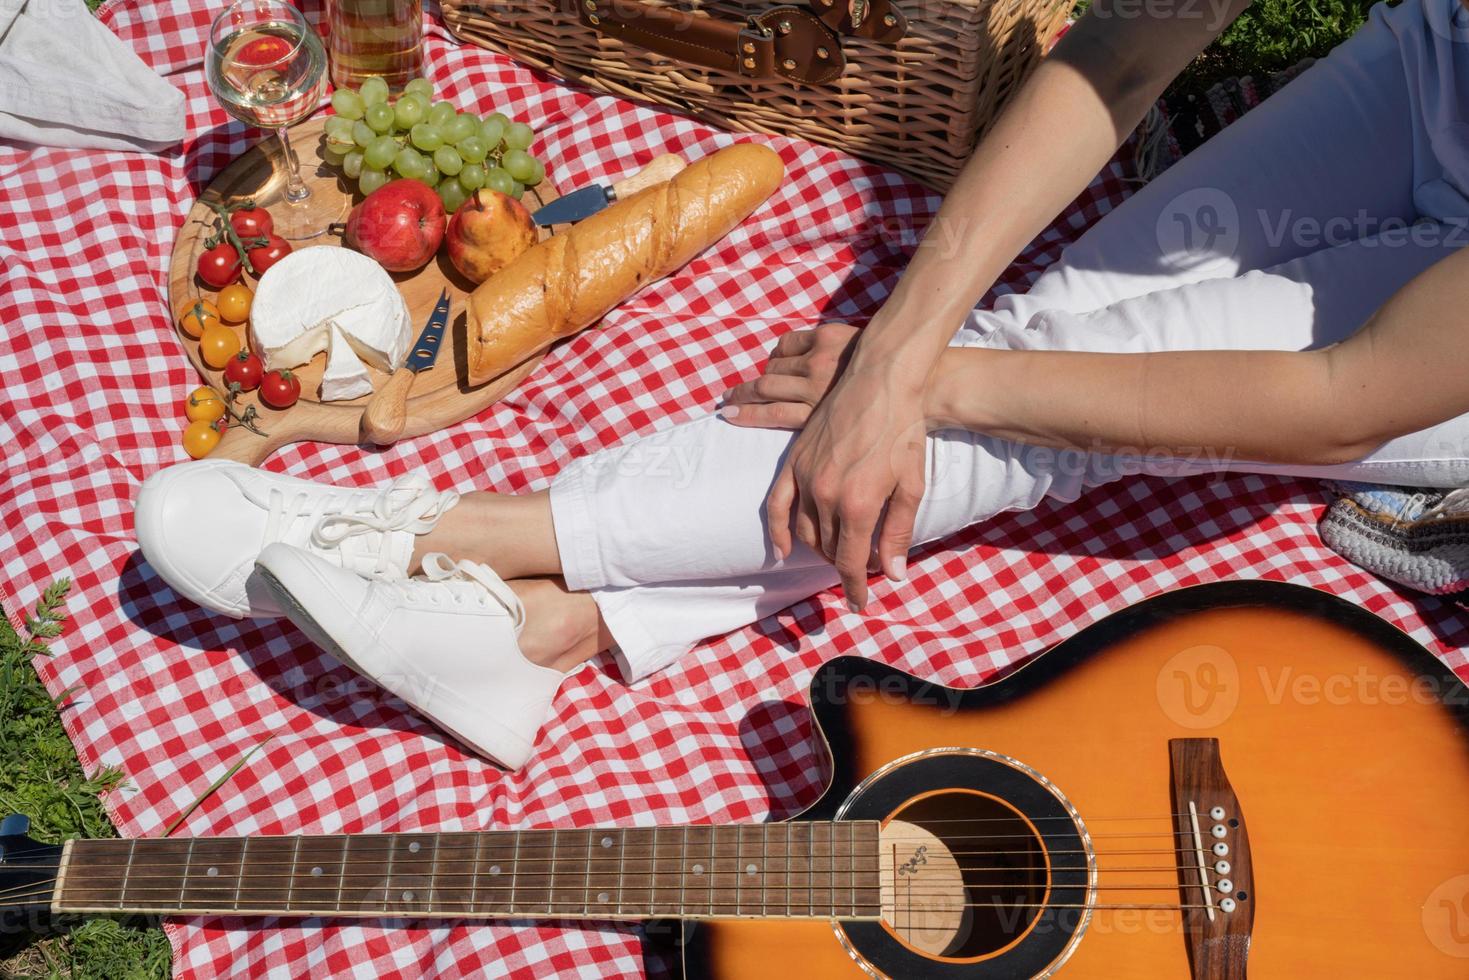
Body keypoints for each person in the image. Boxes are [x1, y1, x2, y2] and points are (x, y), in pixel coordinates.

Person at [138, 0, 1469, 769]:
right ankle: (536, 635)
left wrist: (941, 387)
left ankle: (448, 531)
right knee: (1025, 341)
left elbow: (1353, 387)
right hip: (1436, 79)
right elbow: (1120, 55)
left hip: (1429, 379)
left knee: (1043, 414)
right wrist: (898, 355)